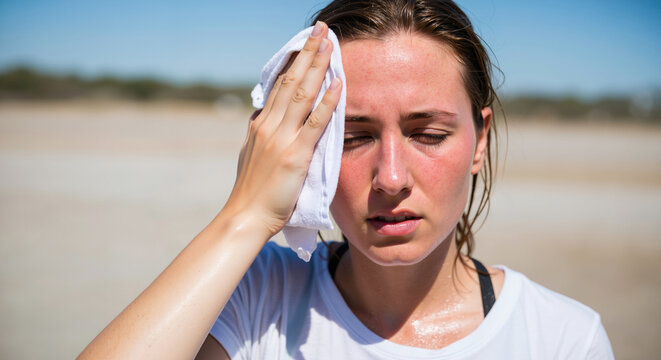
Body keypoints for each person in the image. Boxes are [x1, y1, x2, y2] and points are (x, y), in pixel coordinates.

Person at [79, 1, 614, 359]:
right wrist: (245, 215)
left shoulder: (563, 338)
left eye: (427, 133)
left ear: (479, 140)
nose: (392, 178)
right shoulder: (255, 296)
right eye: (352, 137)